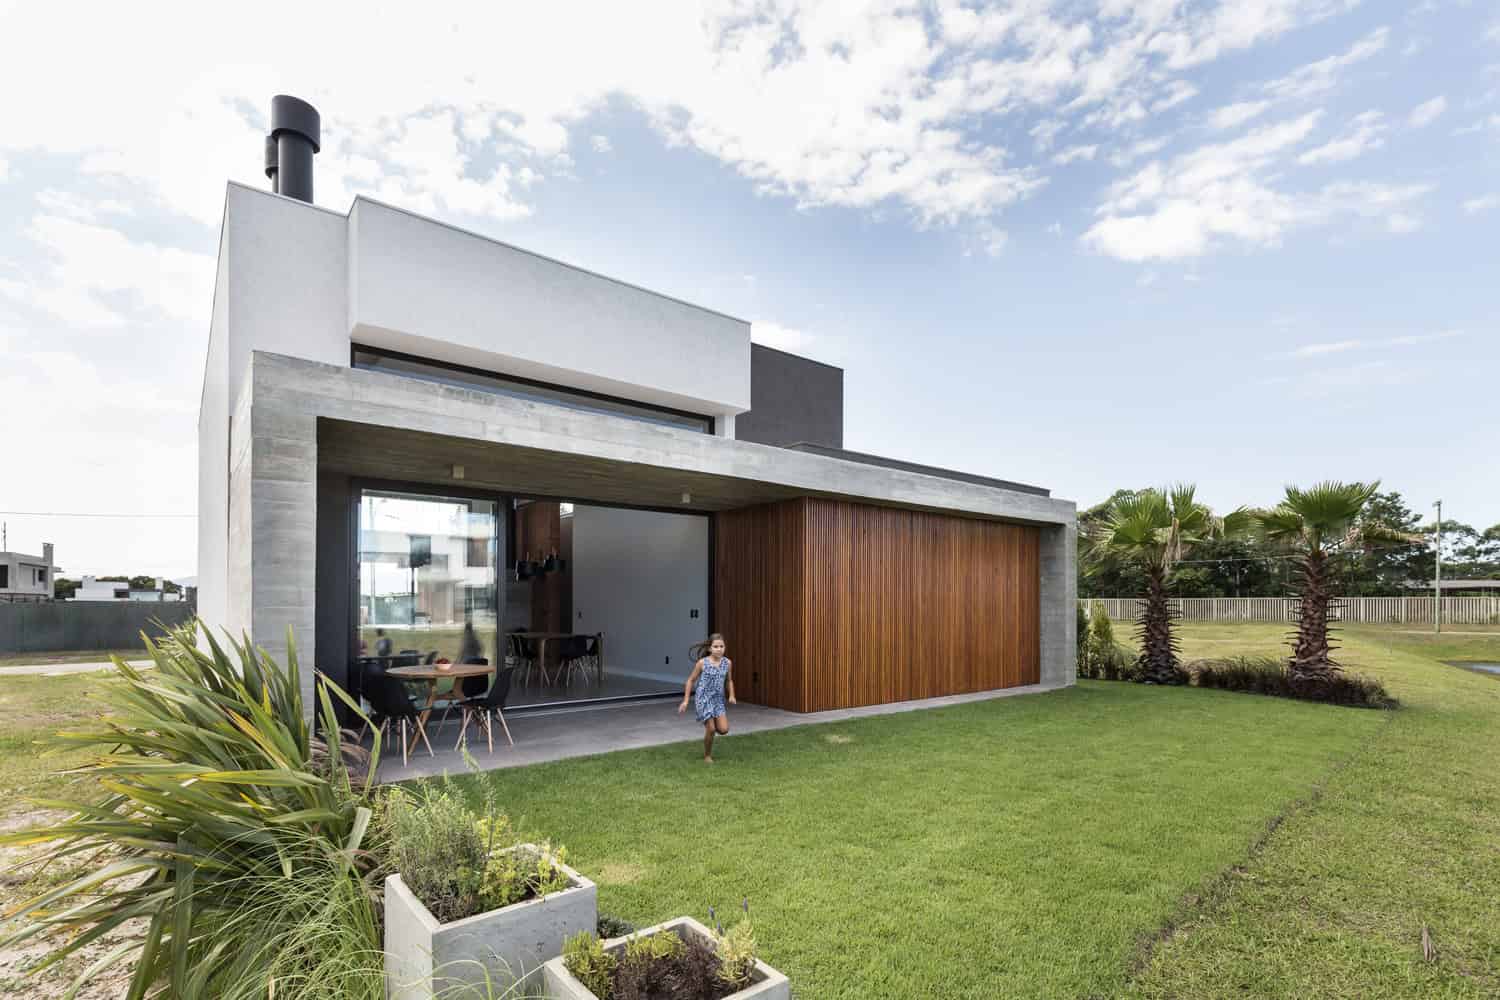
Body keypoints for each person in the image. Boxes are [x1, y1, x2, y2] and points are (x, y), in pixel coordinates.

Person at [678, 633, 735, 763]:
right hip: (703, 698)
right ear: (710, 648)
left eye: (721, 646)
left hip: (718, 699)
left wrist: (731, 695)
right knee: (711, 729)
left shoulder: (728, 663)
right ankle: (707, 756)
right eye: (716, 646)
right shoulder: (702, 663)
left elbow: (729, 681)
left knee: (723, 730)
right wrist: (686, 700)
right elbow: (691, 680)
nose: (719, 649)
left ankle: (712, 725)